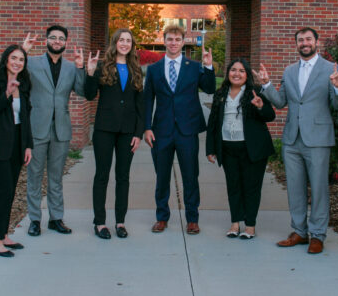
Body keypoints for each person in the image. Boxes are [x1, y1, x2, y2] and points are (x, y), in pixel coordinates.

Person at [254, 27, 338, 254]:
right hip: (292, 139)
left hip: (317, 139)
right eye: (300, 40)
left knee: (318, 188)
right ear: (296, 44)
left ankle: (317, 235)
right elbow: (280, 102)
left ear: (316, 42)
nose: (304, 43)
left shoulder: (330, 70)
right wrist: (266, 85)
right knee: (294, 188)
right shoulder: (289, 71)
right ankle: (299, 231)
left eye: (308, 39)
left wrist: (337, 88)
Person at [144, 24, 215, 235]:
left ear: (183, 42)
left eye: (177, 39)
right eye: (169, 39)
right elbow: (148, 99)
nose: (173, 43)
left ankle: (192, 219)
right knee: (162, 176)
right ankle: (162, 217)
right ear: (164, 41)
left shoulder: (194, 66)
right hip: (161, 131)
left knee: (190, 176)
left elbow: (210, 88)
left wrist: (209, 67)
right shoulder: (154, 69)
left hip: (187, 130)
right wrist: (147, 127)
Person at [22, 26, 84, 236]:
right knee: (35, 175)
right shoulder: (31, 62)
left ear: (66, 42)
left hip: (61, 130)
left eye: (61, 38)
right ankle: (34, 220)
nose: (57, 41)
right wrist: (23, 51)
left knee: (56, 177)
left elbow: (83, 91)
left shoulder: (70, 67)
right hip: (37, 127)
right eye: (53, 38)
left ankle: (56, 218)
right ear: (47, 40)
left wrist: (81, 67)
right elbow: (16, 76)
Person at [85, 29, 145, 239]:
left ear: (132, 45)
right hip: (104, 129)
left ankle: (120, 221)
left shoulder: (135, 69)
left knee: (123, 177)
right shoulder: (103, 66)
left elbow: (140, 105)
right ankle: (99, 222)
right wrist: (90, 73)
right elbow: (90, 94)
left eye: (128, 41)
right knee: (102, 175)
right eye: (122, 40)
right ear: (115, 42)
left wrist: (138, 133)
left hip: (127, 131)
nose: (125, 43)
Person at [206, 58, 275, 239]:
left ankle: (250, 226)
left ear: (247, 75)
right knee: (233, 186)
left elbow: (270, 116)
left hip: (252, 149)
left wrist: (261, 106)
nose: (237, 74)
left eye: (242, 71)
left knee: (251, 188)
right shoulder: (221, 93)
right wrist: (210, 148)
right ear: (228, 72)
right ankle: (235, 223)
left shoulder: (255, 92)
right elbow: (213, 122)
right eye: (233, 70)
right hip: (228, 148)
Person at [0, 45, 33, 257]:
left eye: (21, 59)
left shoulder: (25, 84)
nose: (17, 62)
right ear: (6, 60)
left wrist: (28, 145)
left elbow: (26, 117)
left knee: (10, 193)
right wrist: (7, 93)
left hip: (17, 144)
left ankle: (3, 235)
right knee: (2, 193)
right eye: (14, 58)